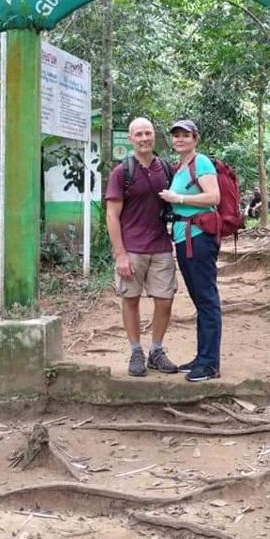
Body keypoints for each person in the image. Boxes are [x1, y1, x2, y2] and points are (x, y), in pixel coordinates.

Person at [105, 117, 179, 377]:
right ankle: (136, 351)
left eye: (148, 133)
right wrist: (120, 253)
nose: (144, 138)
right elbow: (112, 215)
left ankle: (156, 351)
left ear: (154, 136)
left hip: (160, 246)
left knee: (165, 300)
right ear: (130, 139)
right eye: (138, 134)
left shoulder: (166, 169)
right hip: (132, 248)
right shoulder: (121, 172)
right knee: (131, 298)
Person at [158, 119, 222, 382]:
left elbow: (213, 197)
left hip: (200, 238)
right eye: (176, 136)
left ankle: (209, 364)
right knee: (199, 299)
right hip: (185, 238)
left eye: (186, 135)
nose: (180, 139)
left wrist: (180, 199)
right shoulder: (179, 168)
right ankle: (202, 357)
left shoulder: (201, 162)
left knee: (207, 299)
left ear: (195, 138)